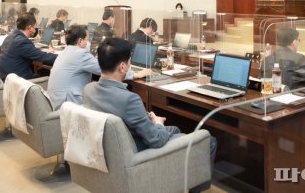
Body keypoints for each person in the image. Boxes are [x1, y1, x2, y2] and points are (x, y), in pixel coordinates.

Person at [83, 38, 216, 191]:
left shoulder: (89, 89)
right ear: (122, 66)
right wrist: (158, 122)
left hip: (107, 153)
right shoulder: (129, 99)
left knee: (175, 130)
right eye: (129, 62)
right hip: (135, 153)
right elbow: (156, 140)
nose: (130, 65)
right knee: (208, 140)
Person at [47, 25, 151, 110]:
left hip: (57, 101)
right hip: (69, 105)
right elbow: (107, 68)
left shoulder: (66, 52)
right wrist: (136, 74)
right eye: (87, 39)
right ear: (79, 41)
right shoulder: (80, 55)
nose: (89, 42)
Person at [0, 13, 58, 81]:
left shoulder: (10, 37)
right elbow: (42, 57)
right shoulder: (22, 42)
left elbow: (32, 53)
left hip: (7, 79)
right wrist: (63, 57)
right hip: (19, 83)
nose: (35, 30)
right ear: (29, 27)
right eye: (35, 27)